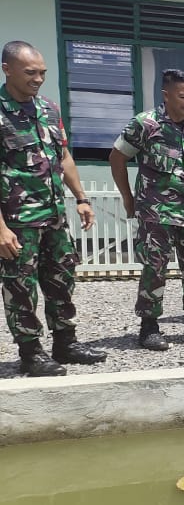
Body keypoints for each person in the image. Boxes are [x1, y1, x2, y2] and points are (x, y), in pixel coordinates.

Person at [0, 40, 106, 376]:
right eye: (30, 72)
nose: (38, 78)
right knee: (21, 288)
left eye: (42, 72)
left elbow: (64, 157)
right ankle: (31, 353)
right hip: (17, 221)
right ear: (7, 70)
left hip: (53, 216)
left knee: (62, 278)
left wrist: (82, 198)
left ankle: (66, 343)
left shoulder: (48, 109)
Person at [109, 68, 184, 351]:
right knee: (154, 270)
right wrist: (128, 198)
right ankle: (149, 327)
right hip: (155, 214)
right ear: (166, 95)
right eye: (183, 96)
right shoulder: (145, 124)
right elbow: (117, 158)